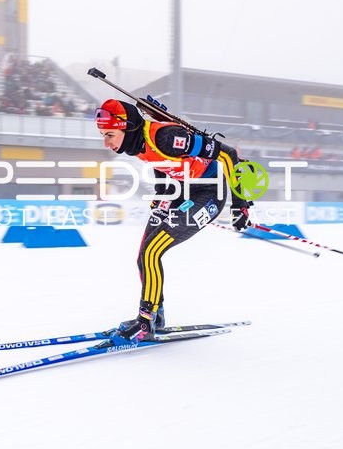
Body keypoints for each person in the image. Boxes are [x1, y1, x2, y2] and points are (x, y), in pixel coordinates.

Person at [95, 99, 252, 345]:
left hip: (208, 193)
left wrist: (239, 204)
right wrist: (161, 197)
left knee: (151, 252)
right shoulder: (137, 143)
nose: (107, 142)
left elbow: (228, 154)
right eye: (103, 135)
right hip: (179, 193)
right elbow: (161, 165)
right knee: (143, 255)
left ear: (127, 128)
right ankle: (155, 317)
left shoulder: (167, 137)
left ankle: (144, 323)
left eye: (110, 134)